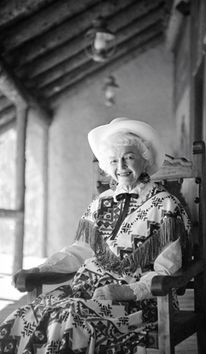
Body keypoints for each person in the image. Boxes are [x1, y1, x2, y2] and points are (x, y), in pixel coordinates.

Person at [0, 118, 191, 354]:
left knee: (70, 319)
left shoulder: (165, 205)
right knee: (25, 315)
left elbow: (167, 269)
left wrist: (125, 291)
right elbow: (79, 251)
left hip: (142, 301)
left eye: (128, 157)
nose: (121, 165)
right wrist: (39, 270)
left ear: (145, 159)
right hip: (85, 291)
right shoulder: (102, 202)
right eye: (114, 160)